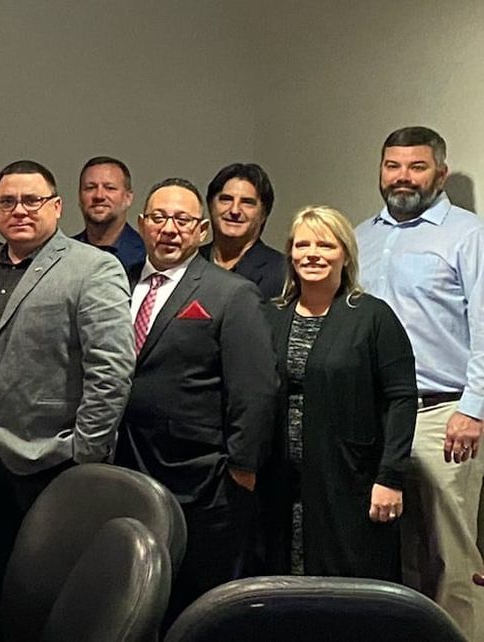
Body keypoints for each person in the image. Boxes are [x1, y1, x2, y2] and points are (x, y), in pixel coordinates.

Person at [0, 160, 133, 638]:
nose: (19, 211)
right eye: (8, 202)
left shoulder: (93, 266)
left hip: (52, 460)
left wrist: (85, 454)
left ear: (55, 206)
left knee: (45, 596)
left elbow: (111, 370)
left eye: (32, 200)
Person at [115, 178, 278, 621]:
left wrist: (242, 466)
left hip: (202, 479)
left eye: (183, 220)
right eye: (160, 218)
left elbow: (256, 388)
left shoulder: (230, 293)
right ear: (142, 224)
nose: (170, 229)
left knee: (197, 604)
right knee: (132, 597)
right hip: (126, 466)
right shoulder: (117, 283)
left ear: (202, 230)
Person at [353, 126, 484, 634]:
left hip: (441, 415)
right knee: (390, 558)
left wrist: (473, 408)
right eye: (392, 166)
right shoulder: (362, 236)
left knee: (449, 561)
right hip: (374, 419)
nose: (402, 177)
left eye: (416, 166)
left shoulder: (469, 234)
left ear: (441, 173)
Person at [261, 205, 416, 583]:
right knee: (287, 577)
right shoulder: (270, 314)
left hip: (350, 483)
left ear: (345, 254)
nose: (312, 253)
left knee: (345, 587)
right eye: (303, 244)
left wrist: (390, 477)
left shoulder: (372, 317)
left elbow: (401, 398)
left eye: (325, 245)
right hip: (281, 485)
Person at [197, 163, 286, 301]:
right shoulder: (190, 261)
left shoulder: (282, 271)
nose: (234, 211)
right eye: (226, 199)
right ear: (210, 205)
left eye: (247, 202)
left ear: (263, 214)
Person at [73, 156, 146, 272]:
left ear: (128, 198)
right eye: (90, 188)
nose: (99, 196)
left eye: (110, 188)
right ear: (79, 196)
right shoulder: (64, 254)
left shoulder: (147, 255)